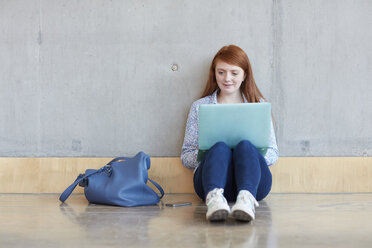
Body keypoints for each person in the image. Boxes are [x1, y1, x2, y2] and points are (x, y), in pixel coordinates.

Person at [181, 45, 279, 222]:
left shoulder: (258, 105)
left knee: (245, 146)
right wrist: (209, 154)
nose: (227, 79)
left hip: (255, 185)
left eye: (234, 73)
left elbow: (273, 153)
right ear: (214, 73)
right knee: (220, 148)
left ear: (245, 75)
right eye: (221, 72)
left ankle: (246, 200)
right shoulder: (199, 107)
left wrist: (247, 156)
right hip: (211, 182)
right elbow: (186, 156)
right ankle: (215, 201)